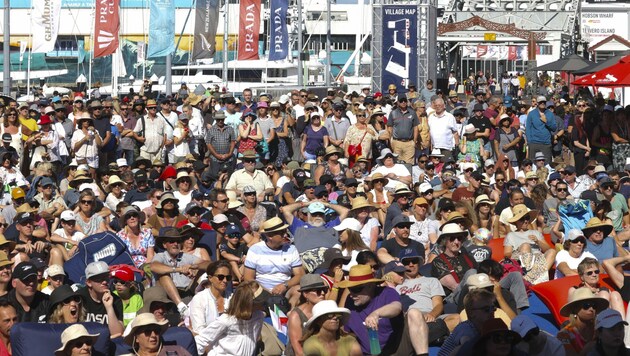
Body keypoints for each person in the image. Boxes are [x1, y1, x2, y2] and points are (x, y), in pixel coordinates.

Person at [338, 264, 411, 355]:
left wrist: (376, 314)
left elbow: (396, 307)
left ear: (370, 286)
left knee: (414, 313)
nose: (352, 294)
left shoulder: (386, 293)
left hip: (395, 350)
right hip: (367, 353)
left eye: (356, 289)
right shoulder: (350, 301)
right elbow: (347, 331)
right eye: (350, 289)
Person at [149, 228, 209, 316]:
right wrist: (179, 269)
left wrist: (193, 267)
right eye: (171, 241)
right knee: (163, 275)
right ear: (165, 245)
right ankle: (181, 307)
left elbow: (209, 264)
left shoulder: (186, 256)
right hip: (164, 296)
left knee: (204, 270)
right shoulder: (160, 256)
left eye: (177, 241)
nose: (175, 244)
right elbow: (154, 267)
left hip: (185, 293)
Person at [194, 281, 265, 356]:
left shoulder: (259, 316)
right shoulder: (226, 320)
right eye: (260, 302)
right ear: (248, 304)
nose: (264, 303)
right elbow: (201, 340)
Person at [244, 217, 304, 296]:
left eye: (285, 231)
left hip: (285, 290)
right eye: (281, 233)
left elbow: (300, 274)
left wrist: (285, 285)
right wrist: (265, 292)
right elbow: (248, 278)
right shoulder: (255, 250)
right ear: (270, 236)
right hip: (260, 290)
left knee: (297, 291)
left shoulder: (291, 249)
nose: (285, 235)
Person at [77, 261, 124, 337]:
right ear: (89, 282)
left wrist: (109, 307)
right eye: (99, 279)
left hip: (107, 343)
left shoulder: (115, 300)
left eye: (106, 277)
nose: (105, 282)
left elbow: (117, 334)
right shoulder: (79, 298)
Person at [556, 287, 609, 355]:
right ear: (575, 309)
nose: (591, 309)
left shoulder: (601, 330)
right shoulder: (564, 335)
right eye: (586, 305)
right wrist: (588, 348)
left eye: (594, 306)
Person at [286, 274, 328, 356]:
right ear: (305, 294)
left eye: (324, 290)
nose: (323, 293)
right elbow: (299, 351)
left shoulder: (326, 310)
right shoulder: (296, 315)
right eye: (318, 291)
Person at [188, 260, 232, 334]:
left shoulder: (233, 298)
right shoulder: (199, 299)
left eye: (228, 277)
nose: (225, 280)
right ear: (210, 278)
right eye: (221, 277)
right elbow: (199, 330)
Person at [125, 313, 191, 356]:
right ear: (136, 338)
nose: (153, 335)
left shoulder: (178, 351)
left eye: (156, 331)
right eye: (147, 331)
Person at [387, 97, 418, 164]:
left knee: (409, 165)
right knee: (397, 164)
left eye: (405, 101)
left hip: (409, 143)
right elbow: (390, 128)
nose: (403, 102)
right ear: (398, 102)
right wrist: (391, 141)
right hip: (397, 142)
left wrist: (414, 141)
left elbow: (415, 127)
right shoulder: (393, 113)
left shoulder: (412, 113)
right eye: (401, 101)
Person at [525, 96, 556, 162]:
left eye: (544, 102)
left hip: (546, 143)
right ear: (537, 103)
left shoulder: (550, 114)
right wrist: (529, 141)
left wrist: (546, 122)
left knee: (547, 164)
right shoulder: (531, 114)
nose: (542, 103)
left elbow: (554, 128)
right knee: (533, 164)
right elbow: (528, 128)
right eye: (540, 102)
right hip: (534, 143)